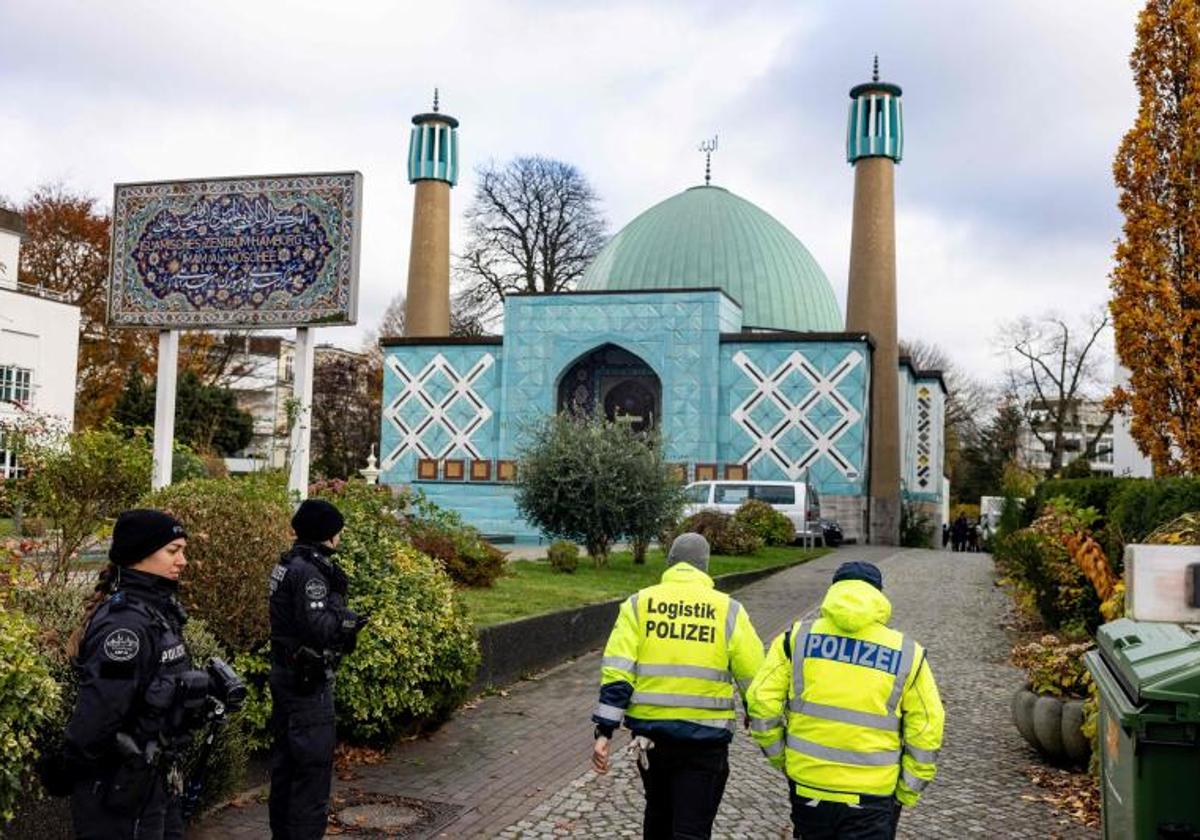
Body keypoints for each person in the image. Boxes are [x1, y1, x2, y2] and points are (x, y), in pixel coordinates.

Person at [747, 561, 944, 839]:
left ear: (834, 591)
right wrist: (907, 791)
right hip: (873, 795)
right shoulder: (908, 653)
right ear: (878, 596)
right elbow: (927, 728)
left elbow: (761, 703)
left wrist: (781, 758)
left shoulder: (795, 639)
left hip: (809, 784)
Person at [590, 533, 764, 839]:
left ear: (670, 563)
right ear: (705, 567)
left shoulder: (638, 604)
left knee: (657, 814)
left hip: (652, 740)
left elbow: (618, 673)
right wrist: (758, 716)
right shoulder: (728, 609)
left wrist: (605, 731)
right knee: (692, 828)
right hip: (705, 741)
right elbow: (754, 674)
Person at [48, 509, 204, 839]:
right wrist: (70, 767)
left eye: (183, 551)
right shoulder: (125, 625)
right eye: (173, 551)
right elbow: (101, 713)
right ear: (138, 555)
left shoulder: (156, 610)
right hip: (118, 791)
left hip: (152, 783)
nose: (183, 561)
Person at [268, 498, 367, 840]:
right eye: (337, 531)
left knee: (286, 769)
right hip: (306, 684)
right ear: (328, 534)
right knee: (310, 774)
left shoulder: (290, 562)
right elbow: (320, 627)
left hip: (286, 674)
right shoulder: (310, 571)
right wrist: (345, 614)